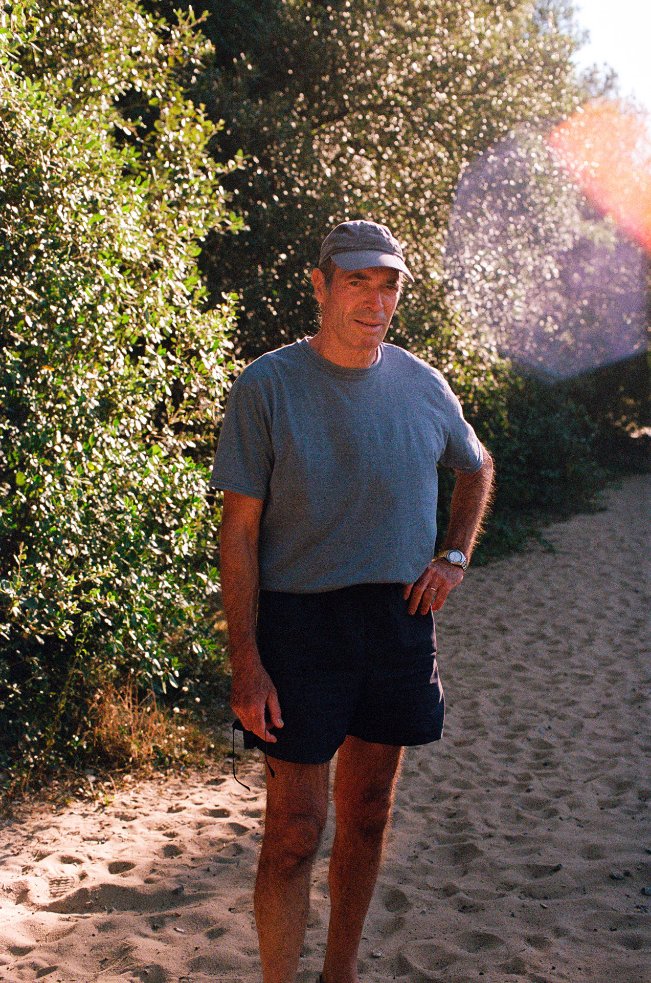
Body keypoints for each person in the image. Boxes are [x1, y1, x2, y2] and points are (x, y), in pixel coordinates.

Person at [211, 219, 494, 983]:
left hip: (397, 622)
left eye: (389, 283)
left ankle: (339, 974)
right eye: (358, 280)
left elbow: (475, 464)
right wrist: (246, 661)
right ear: (320, 284)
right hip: (299, 627)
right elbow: (237, 534)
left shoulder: (422, 382)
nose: (376, 298)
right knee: (295, 833)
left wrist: (454, 553)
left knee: (366, 818)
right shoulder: (266, 385)